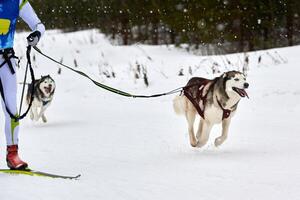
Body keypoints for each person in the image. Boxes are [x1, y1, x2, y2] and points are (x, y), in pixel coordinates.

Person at [0, 0, 45, 169]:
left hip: (6, 62)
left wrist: (37, 35)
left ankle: (13, 154)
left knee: (12, 111)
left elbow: (39, 25)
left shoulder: (17, 2)